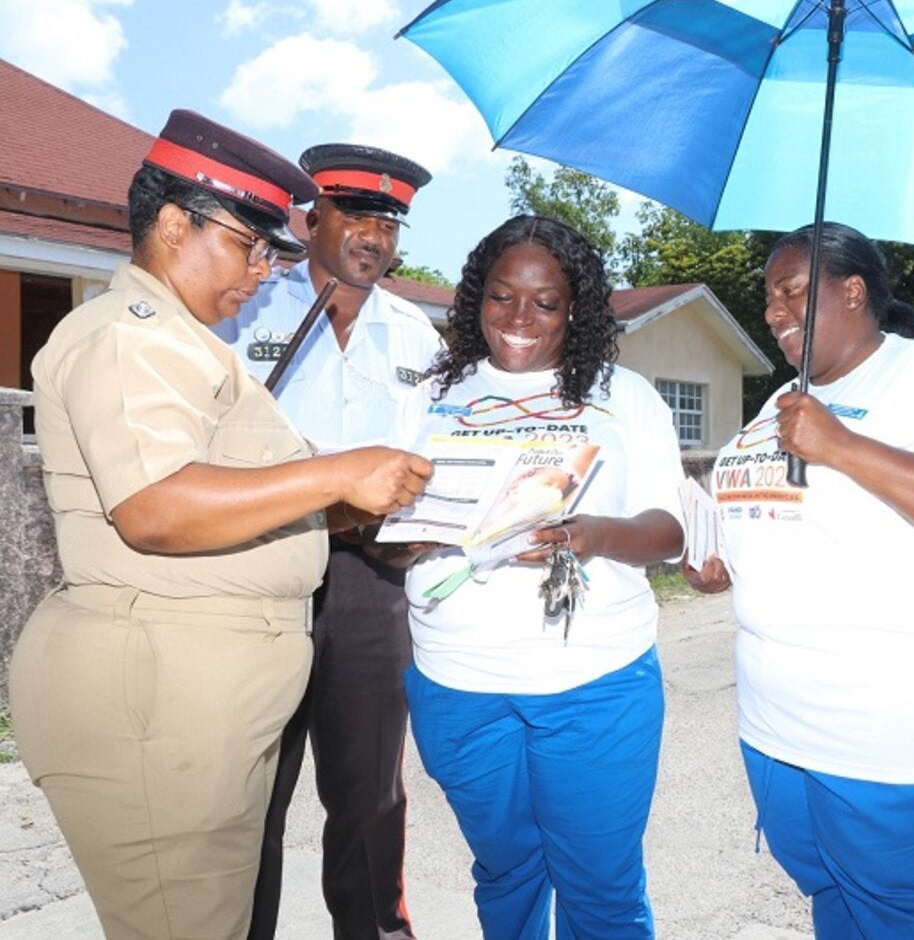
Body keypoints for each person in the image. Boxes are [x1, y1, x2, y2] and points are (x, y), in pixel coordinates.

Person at [7, 110, 431, 940]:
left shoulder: (184, 338)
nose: (263, 269)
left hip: (205, 685)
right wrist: (340, 471)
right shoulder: (133, 339)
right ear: (173, 224)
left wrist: (360, 500)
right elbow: (155, 507)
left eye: (271, 249)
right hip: (159, 691)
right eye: (249, 244)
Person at [684, 222, 914, 939]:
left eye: (792, 292)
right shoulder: (782, 401)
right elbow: (767, 520)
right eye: (768, 296)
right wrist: (718, 563)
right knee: (833, 899)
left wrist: (841, 444)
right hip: (777, 719)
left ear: (854, 290)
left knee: (902, 913)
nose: (774, 311)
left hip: (888, 721)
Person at [400, 215, 685, 939]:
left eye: (546, 302)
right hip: (458, 682)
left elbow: (669, 531)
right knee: (506, 873)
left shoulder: (626, 397)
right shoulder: (426, 397)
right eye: (501, 297)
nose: (520, 319)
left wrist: (590, 536)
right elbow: (378, 532)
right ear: (475, 300)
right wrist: (414, 534)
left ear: (576, 308)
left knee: (601, 886)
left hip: (594, 681)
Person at [215, 143, 439, 940]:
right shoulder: (246, 310)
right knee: (252, 794)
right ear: (313, 219)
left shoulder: (415, 335)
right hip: (258, 572)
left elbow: (428, 461)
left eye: (389, 222)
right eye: (355, 215)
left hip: (367, 583)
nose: (374, 236)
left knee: (369, 791)